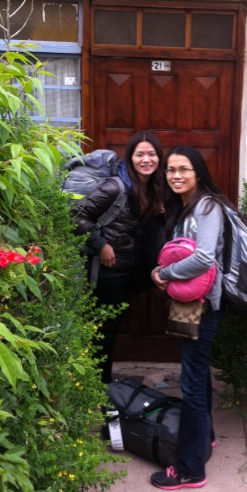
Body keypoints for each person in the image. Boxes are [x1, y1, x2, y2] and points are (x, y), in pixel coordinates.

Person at [150, 146, 234, 490]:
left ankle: (189, 469)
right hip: (193, 303)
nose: (176, 176)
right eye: (170, 170)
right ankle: (205, 439)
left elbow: (204, 258)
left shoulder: (208, 206)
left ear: (198, 172)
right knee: (196, 376)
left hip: (205, 306)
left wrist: (164, 272)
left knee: (192, 381)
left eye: (183, 169)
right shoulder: (186, 207)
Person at [74, 131, 164, 383]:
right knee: (104, 330)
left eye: (151, 154)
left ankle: (100, 386)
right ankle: (97, 390)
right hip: (107, 271)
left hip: (127, 268)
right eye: (140, 154)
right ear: (130, 157)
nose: (146, 159)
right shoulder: (115, 186)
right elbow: (76, 215)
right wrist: (100, 244)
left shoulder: (151, 187)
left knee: (110, 329)